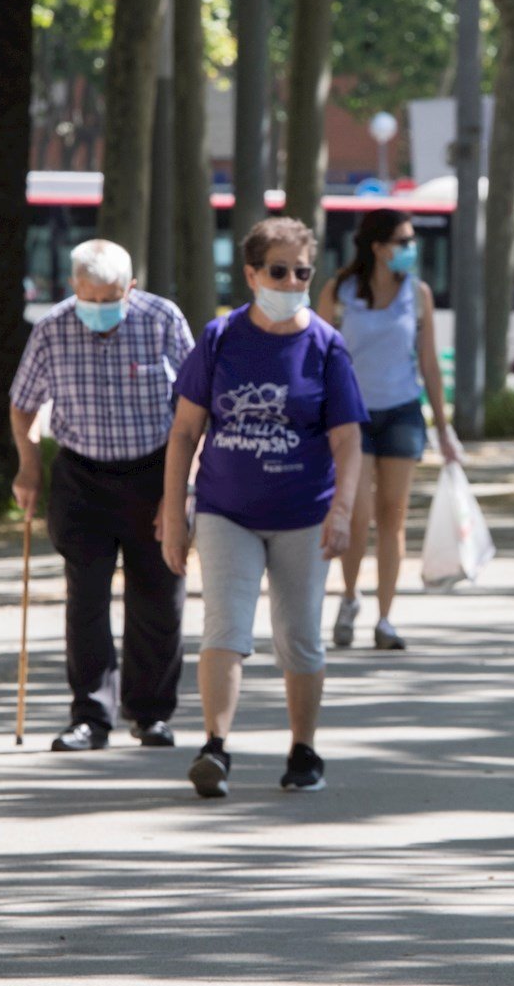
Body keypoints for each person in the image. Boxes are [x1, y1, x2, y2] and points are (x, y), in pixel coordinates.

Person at [160, 218, 367, 798]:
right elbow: (184, 432)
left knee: (299, 634)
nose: (292, 282)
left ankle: (303, 749)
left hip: (305, 511)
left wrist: (344, 511)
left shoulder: (326, 345)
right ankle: (215, 747)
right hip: (227, 508)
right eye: (279, 271)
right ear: (251, 274)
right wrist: (173, 512)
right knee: (224, 625)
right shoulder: (221, 337)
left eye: (303, 272)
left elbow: (348, 439)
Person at [9, 238, 195, 752]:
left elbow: (196, 408)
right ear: (73, 287)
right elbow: (23, 404)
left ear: (131, 287)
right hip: (82, 476)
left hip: (155, 473)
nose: (100, 310)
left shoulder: (161, 319)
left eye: (111, 298)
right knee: (85, 598)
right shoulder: (52, 328)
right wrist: (28, 469)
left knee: (158, 596)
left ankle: (151, 712)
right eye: (90, 299)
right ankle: (90, 714)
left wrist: (178, 493)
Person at [317, 208, 461, 651]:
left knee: (392, 518)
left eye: (412, 241)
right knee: (357, 516)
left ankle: (385, 618)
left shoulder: (417, 295)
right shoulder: (339, 292)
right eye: (403, 241)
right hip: (352, 419)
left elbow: (430, 364)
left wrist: (444, 428)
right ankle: (349, 597)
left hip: (401, 413)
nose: (410, 249)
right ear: (378, 247)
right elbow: (316, 358)